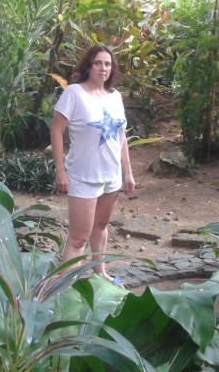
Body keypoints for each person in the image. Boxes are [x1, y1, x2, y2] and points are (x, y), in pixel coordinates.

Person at [51, 44, 135, 286]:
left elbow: (120, 136)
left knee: (101, 227)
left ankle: (101, 274)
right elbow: (56, 131)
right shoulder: (74, 93)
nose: (103, 68)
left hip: (111, 177)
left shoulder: (115, 96)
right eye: (98, 63)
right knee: (79, 239)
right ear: (88, 66)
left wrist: (128, 173)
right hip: (83, 176)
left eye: (107, 64)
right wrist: (60, 171)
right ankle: (62, 288)